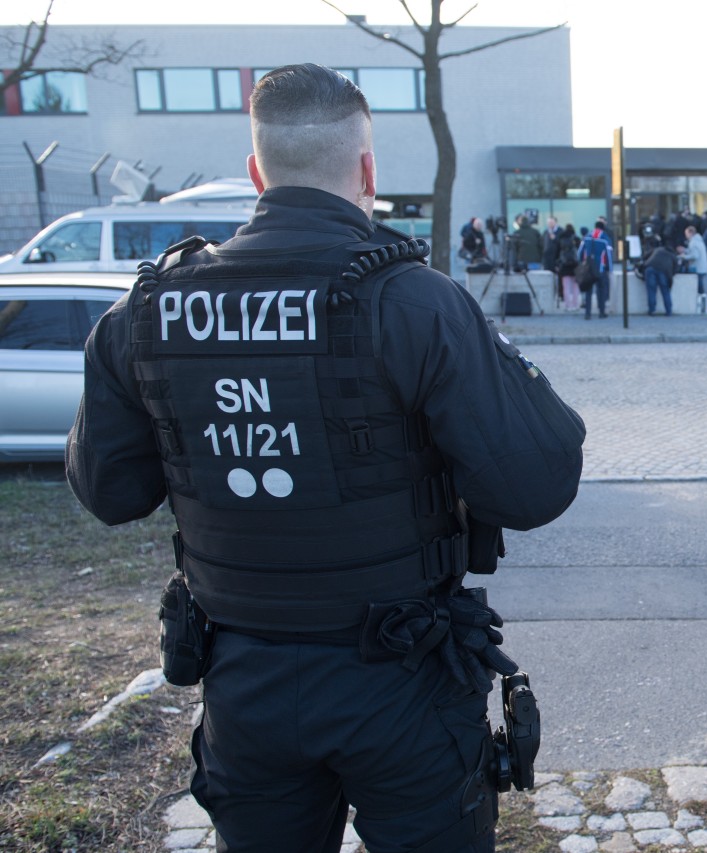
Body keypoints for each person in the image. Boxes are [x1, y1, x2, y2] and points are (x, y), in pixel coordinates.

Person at [65, 64, 587, 853]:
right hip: (402, 683)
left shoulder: (144, 311)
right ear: (369, 169)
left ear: (256, 173)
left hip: (244, 681)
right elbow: (539, 480)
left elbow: (108, 489)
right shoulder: (414, 300)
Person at [577, 217, 613, 320]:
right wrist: (610, 269)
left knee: (588, 291)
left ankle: (587, 314)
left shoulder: (587, 237)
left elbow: (579, 252)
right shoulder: (605, 238)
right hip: (600, 268)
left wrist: (581, 263)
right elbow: (609, 255)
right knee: (601, 291)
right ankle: (601, 312)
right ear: (603, 228)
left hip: (588, 268)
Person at [639, 236, 678, 316]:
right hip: (664, 272)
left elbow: (644, 257)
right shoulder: (673, 256)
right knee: (665, 291)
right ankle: (668, 311)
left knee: (651, 290)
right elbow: (675, 269)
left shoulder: (658, 249)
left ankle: (652, 310)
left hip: (650, 269)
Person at [678, 224, 707, 313]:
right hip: (702, 267)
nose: (686, 236)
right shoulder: (699, 240)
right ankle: (703, 307)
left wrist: (683, 256)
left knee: (700, 288)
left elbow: (695, 255)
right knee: (701, 287)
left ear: (690, 233)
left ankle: (702, 307)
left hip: (698, 268)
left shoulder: (693, 242)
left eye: (686, 233)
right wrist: (686, 250)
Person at [555, 222, 581, 310]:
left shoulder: (561, 239)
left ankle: (567, 305)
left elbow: (557, 253)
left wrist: (557, 264)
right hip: (575, 265)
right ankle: (575, 304)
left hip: (564, 265)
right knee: (575, 286)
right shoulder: (576, 238)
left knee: (566, 286)